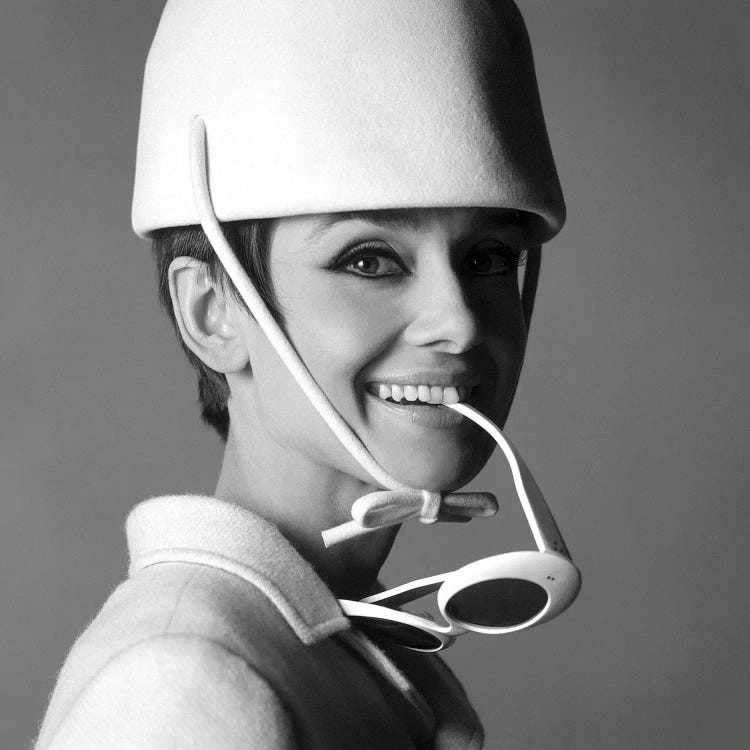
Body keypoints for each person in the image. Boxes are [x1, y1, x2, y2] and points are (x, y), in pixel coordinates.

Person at [34, 1, 569, 747]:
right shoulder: (181, 685)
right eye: (370, 261)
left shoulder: (349, 638)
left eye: (488, 258)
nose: (460, 321)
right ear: (213, 313)